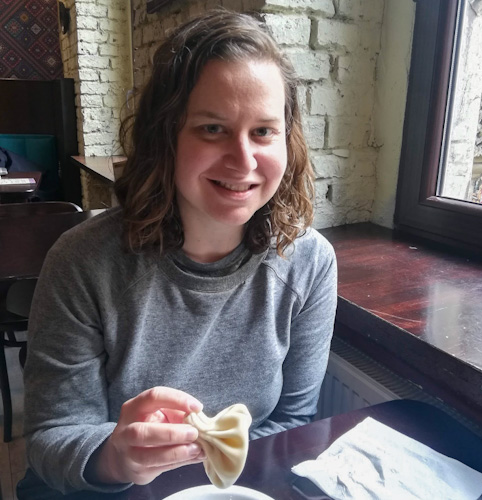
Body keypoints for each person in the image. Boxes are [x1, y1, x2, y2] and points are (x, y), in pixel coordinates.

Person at [19, 9, 337, 497]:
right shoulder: (83, 262)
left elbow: (293, 422)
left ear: (288, 141)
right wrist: (115, 456)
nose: (244, 160)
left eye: (263, 131)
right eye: (212, 128)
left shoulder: (310, 263)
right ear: (165, 135)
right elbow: (52, 437)